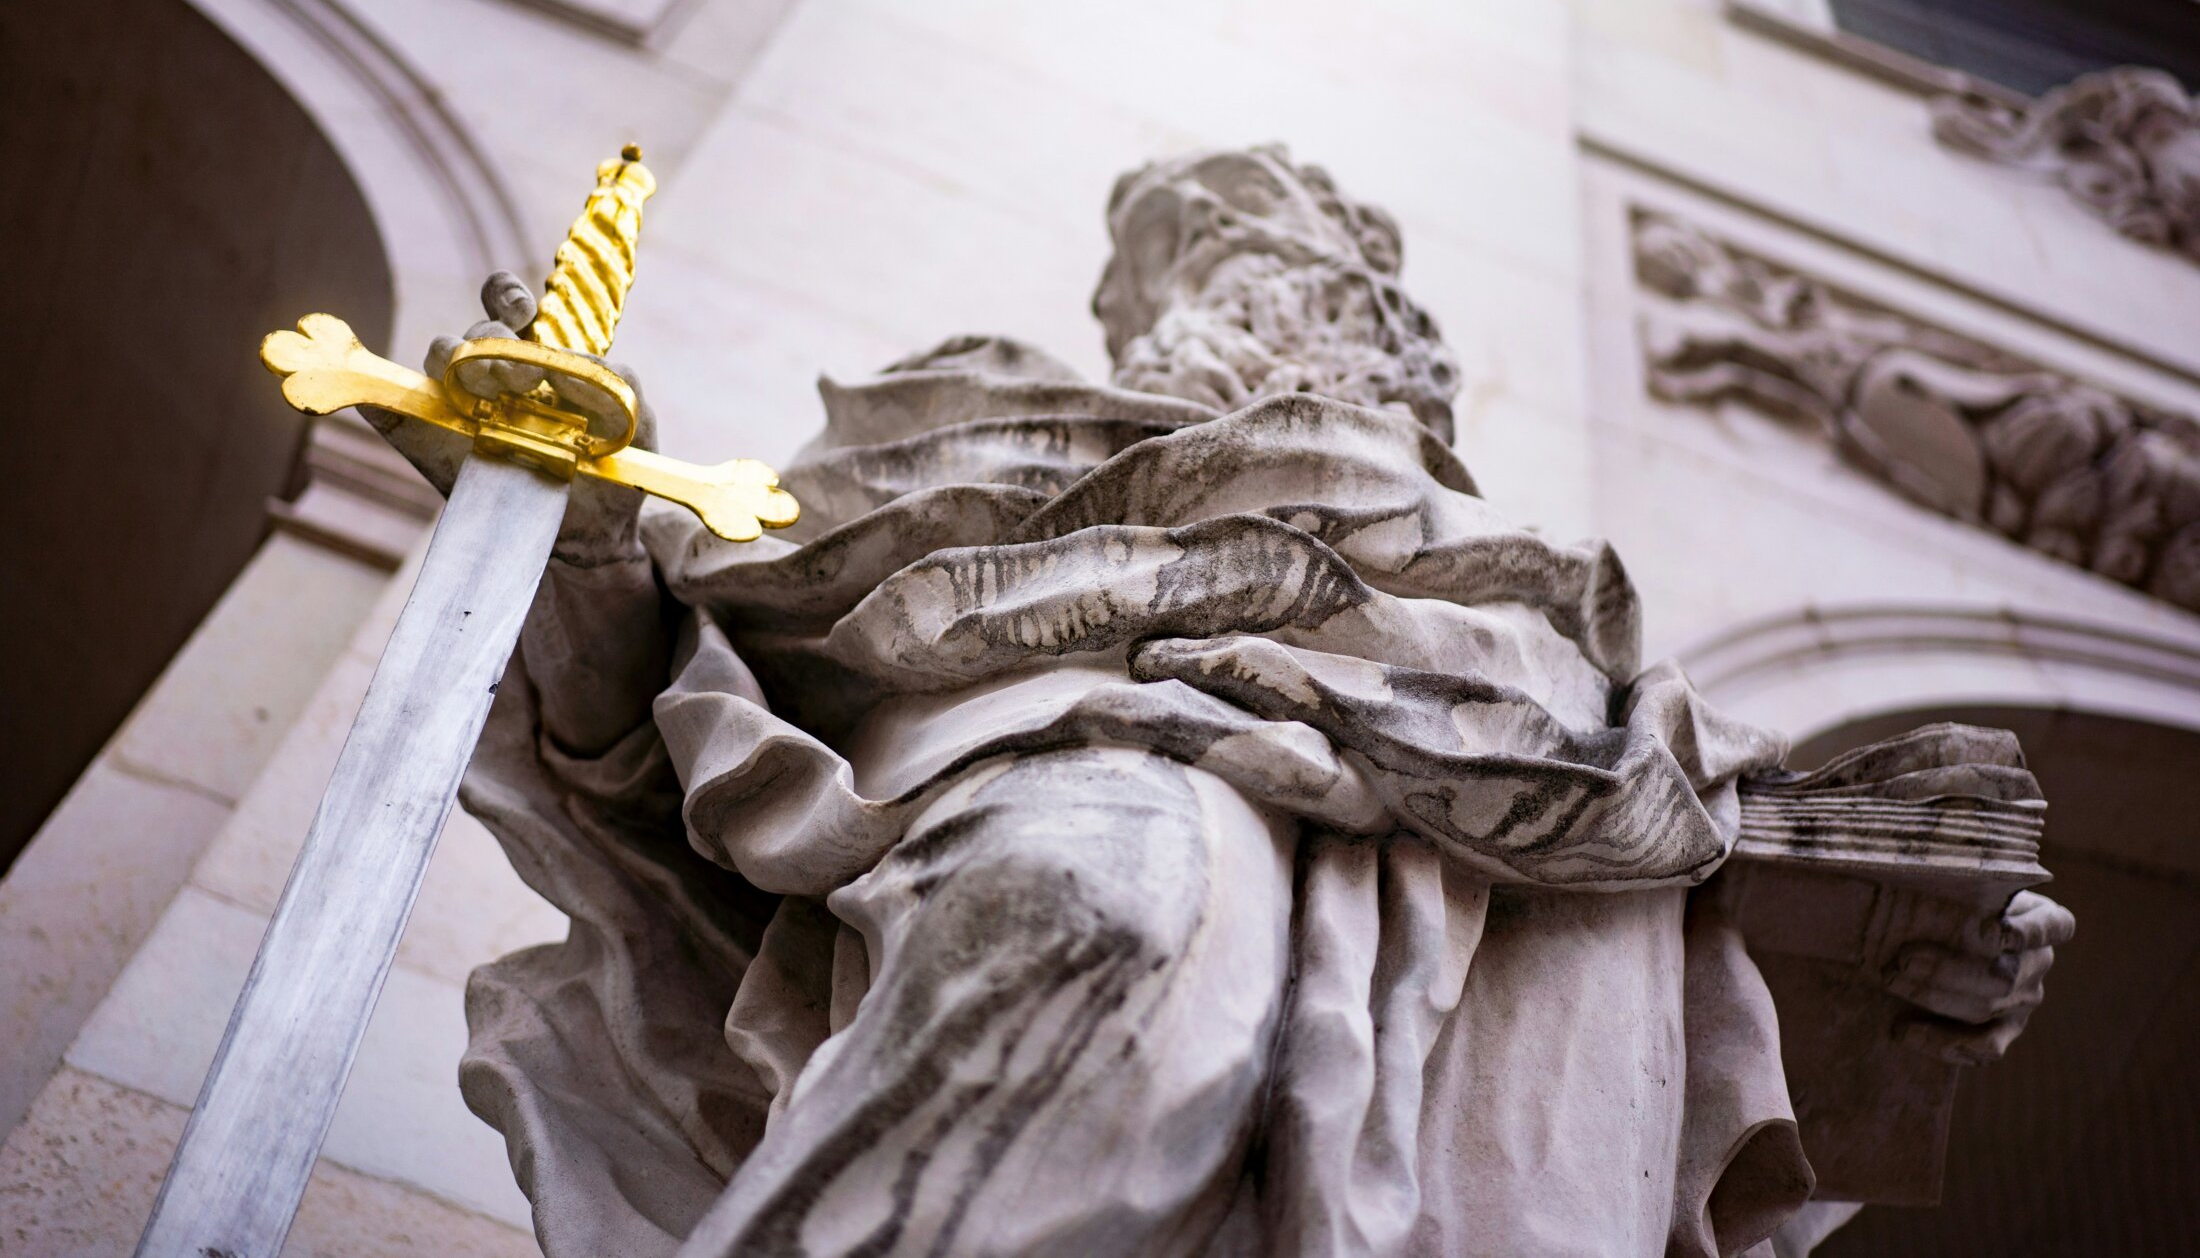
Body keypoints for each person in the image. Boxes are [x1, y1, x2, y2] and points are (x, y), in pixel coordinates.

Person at [378, 148, 2070, 1258]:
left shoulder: (1536, 582)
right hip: (1085, 755)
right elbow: (652, 729)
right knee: (1104, 912)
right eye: (1234, 264)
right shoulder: (971, 417)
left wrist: (1920, 966)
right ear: (1154, 310)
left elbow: (1682, 826)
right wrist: (584, 550)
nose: (1294, 312)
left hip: (1501, 910)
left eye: (1329, 289)